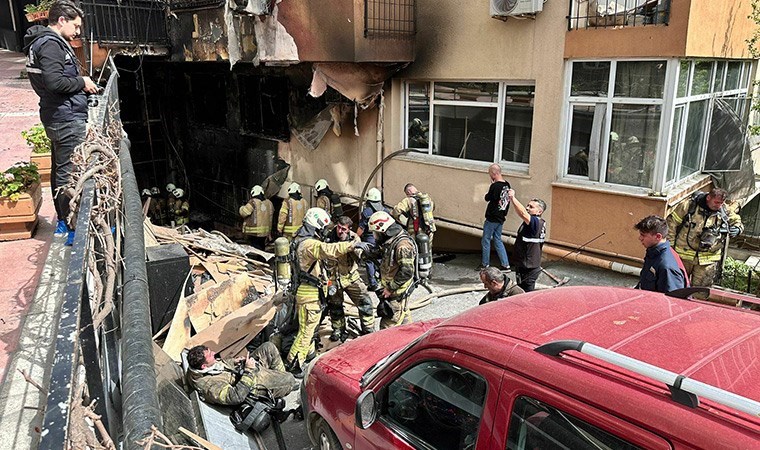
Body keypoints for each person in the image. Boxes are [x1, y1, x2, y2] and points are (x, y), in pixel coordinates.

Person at [23, 0, 99, 245]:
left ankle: (65, 222)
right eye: (75, 26)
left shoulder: (44, 43)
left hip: (58, 115)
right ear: (62, 20)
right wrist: (82, 83)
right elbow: (55, 83)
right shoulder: (51, 46)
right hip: (65, 118)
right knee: (69, 174)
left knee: (60, 169)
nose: (78, 31)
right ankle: (72, 226)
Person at [286, 208, 360, 375]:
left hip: (306, 291)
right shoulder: (310, 244)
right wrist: (352, 244)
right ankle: (294, 364)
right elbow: (329, 250)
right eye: (322, 229)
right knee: (305, 331)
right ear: (316, 226)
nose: (323, 232)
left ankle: (310, 354)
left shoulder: (298, 239)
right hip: (309, 293)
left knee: (310, 329)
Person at [666, 188, 743, 287]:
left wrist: (738, 228)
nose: (718, 205)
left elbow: (737, 220)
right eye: (716, 202)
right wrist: (670, 247)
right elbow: (671, 224)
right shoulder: (688, 206)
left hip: (708, 260)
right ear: (708, 198)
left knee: (701, 292)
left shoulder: (724, 209)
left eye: (721, 203)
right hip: (683, 256)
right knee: (676, 287)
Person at [186, 342, 296, 406]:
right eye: (210, 355)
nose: (214, 353)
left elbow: (219, 366)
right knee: (290, 379)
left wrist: (234, 361)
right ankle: (283, 385)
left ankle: (278, 379)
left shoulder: (198, 368)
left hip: (241, 372)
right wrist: (249, 370)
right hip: (249, 387)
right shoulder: (209, 386)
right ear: (203, 366)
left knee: (268, 347)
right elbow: (235, 397)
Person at [363, 211, 418, 329]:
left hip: (397, 292)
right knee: (403, 317)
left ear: (383, 229)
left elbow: (407, 272)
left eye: (376, 233)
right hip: (395, 292)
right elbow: (385, 252)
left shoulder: (402, 246)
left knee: (387, 326)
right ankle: (410, 338)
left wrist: (389, 288)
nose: (374, 236)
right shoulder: (392, 239)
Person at [324, 216, 375, 341]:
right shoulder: (327, 236)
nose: (340, 231)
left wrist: (361, 251)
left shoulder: (353, 238)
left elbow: (359, 256)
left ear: (349, 229)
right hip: (333, 278)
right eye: (339, 228)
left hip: (350, 277)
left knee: (365, 302)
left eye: (344, 229)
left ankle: (368, 331)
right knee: (335, 306)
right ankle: (338, 330)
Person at [634, 215, 688, 293]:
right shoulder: (653, 252)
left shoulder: (666, 266)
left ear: (658, 237)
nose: (640, 238)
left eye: (643, 235)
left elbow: (672, 300)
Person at [508, 190, 547, 292]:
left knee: (526, 295)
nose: (527, 208)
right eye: (527, 206)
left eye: (531, 207)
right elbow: (523, 213)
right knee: (521, 292)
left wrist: (513, 198)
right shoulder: (534, 222)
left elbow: (523, 213)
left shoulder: (535, 222)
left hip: (528, 267)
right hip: (524, 265)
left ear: (539, 212)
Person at [479, 163, 511, 271]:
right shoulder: (507, 185)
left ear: (494, 173)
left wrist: (491, 186)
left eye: (490, 174)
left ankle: (485, 264)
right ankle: (505, 264)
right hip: (501, 217)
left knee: (486, 240)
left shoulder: (495, 186)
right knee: (497, 240)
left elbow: (487, 198)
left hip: (492, 217)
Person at [356, 187, 389, 290]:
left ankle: (373, 283)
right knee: (381, 259)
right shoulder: (385, 210)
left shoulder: (366, 212)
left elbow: (361, 228)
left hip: (369, 238)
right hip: (383, 239)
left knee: (370, 260)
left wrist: (355, 238)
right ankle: (383, 280)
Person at [392, 183, 436, 248]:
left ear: (408, 192)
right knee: (427, 250)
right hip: (429, 228)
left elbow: (397, 210)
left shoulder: (408, 200)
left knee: (414, 249)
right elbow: (432, 208)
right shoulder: (426, 198)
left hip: (415, 230)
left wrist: (395, 216)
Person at [239, 185, 273, 249]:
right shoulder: (269, 203)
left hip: (254, 232)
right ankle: (261, 258)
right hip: (265, 232)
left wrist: (241, 208)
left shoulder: (253, 202)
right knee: (262, 246)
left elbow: (244, 213)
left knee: (255, 248)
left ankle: (256, 258)